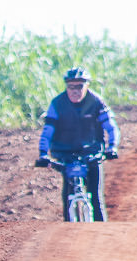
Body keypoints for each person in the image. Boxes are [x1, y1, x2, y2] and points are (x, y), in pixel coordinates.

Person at [35, 66, 120, 221]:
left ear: (87, 86)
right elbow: (47, 131)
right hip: (64, 154)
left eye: (79, 86)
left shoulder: (96, 102)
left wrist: (112, 147)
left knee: (96, 197)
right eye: (71, 87)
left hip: (92, 153)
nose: (75, 91)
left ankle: (103, 236)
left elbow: (111, 126)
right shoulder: (57, 104)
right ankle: (69, 231)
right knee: (67, 197)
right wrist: (42, 154)